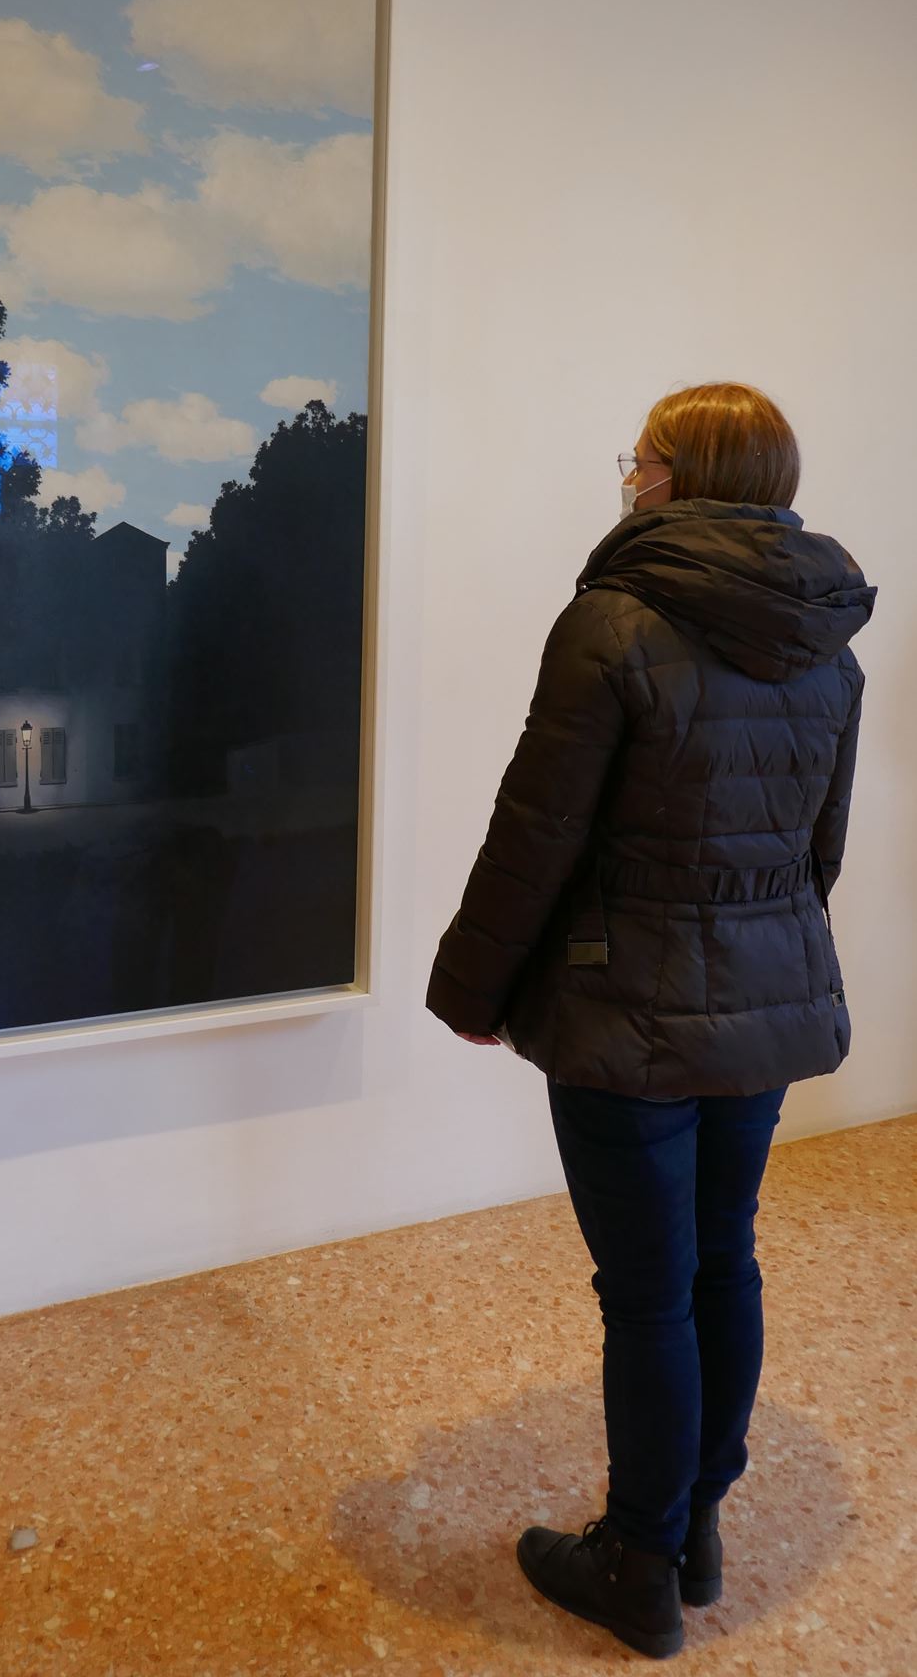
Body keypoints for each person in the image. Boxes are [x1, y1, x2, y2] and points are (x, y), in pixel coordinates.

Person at [426, 382, 875, 1660]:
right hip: (764, 997)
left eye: (643, 456)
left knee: (646, 1293)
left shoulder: (611, 618)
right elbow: (821, 847)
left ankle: (636, 1558)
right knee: (721, 1258)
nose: (629, 476)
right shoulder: (828, 638)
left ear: (680, 475)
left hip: (624, 1007)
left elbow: (536, 831)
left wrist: (470, 988)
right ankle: (696, 1528)